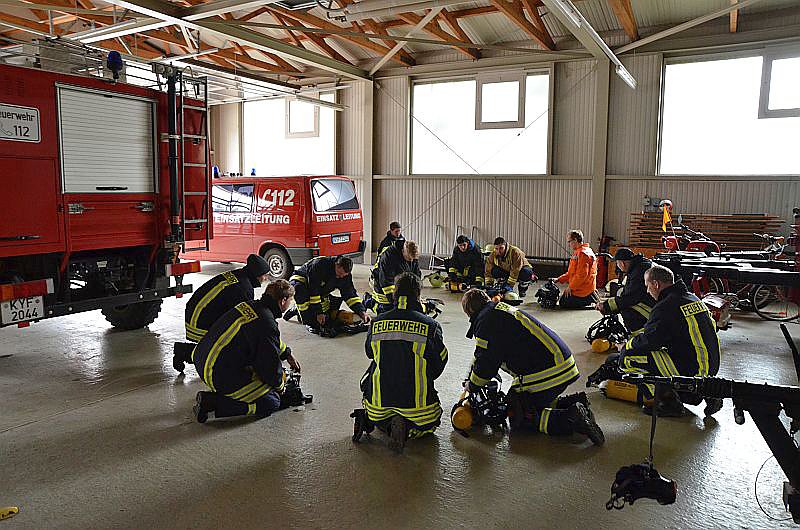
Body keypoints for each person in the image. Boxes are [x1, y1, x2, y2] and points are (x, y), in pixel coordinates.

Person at [461, 288, 604, 445]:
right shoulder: (497, 310)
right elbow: (481, 356)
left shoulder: (485, 322)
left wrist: (472, 385)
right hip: (562, 364)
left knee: (519, 414)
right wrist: (472, 375)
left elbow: (486, 364)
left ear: (469, 312)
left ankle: (571, 418)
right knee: (532, 401)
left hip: (548, 372)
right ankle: (573, 403)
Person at [353, 273, 448, 453]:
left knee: (376, 362)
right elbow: (439, 364)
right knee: (430, 425)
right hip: (420, 413)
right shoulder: (431, 326)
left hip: (377, 409)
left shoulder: (377, 322)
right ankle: (406, 428)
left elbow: (369, 353)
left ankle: (378, 422)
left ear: (395, 295)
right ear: (418, 296)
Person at [611, 264, 722, 417]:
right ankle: (709, 393)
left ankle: (668, 402)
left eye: (648, 286)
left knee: (627, 358)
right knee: (660, 354)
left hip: (693, 374)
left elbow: (650, 342)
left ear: (656, 284)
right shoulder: (692, 298)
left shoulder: (665, 306)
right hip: (710, 370)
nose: (648, 292)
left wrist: (625, 346)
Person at [191, 280, 302, 423]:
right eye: (290, 301)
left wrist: (287, 353)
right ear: (283, 301)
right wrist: (281, 387)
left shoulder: (249, 306)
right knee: (271, 401)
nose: (290, 305)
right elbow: (269, 367)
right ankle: (211, 402)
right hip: (217, 374)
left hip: (202, 359)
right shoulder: (266, 322)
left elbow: (269, 341)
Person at [174, 254, 270, 372]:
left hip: (197, 313)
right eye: (265, 275)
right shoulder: (243, 288)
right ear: (257, 275)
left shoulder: (240, 276)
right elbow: (244, 320)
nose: (266, 278)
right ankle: (184, 351)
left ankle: (188, 350)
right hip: (198, 321)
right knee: (223, 354)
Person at [283, 256, 370, 337]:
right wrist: (318, 313)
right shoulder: (320, 265)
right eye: (340, 273)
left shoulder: (344, 276)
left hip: (320, 288)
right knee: (301, 294)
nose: (341, 276)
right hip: (302, 280)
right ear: (336, 264)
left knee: (327, 312)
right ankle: (305, 318)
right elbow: (314, 291)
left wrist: (361, 311)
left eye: (344, 275)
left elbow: (350, 295)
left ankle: (298, 310)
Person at [595, 248, 655, 332]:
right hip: (656, 305)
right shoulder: (639, 266)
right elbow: (627, 292)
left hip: (653, 311)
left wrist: (606, 306)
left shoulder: (638, 273)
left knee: (626, 309)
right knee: (621, 299)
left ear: (622, 263)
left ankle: (638, 334)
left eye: (617, 263)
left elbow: (630, 298)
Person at [372, 240, 421, 313]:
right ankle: (369, 302)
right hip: (383, 285)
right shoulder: (388, 256)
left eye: (413, 259)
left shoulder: (412, 255)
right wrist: (395, 304)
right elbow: (386, 282)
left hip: (398, 283)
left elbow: (416, 275)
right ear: (403, 251)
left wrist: (417, 296)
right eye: (409, 259)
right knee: (388, 312)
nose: (411, 261)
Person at [554, 230, 598, 308]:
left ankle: (589, 299)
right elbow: (571, 273)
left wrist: (570, 287)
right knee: (563, 299)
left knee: (564, 302)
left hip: (583, 291)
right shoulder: (580, 252)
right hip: (583, 287)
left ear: (575, 240)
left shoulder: (583, 254)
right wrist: (559, 279)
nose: (569, 245)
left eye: (569, 241)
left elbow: (582, 275)